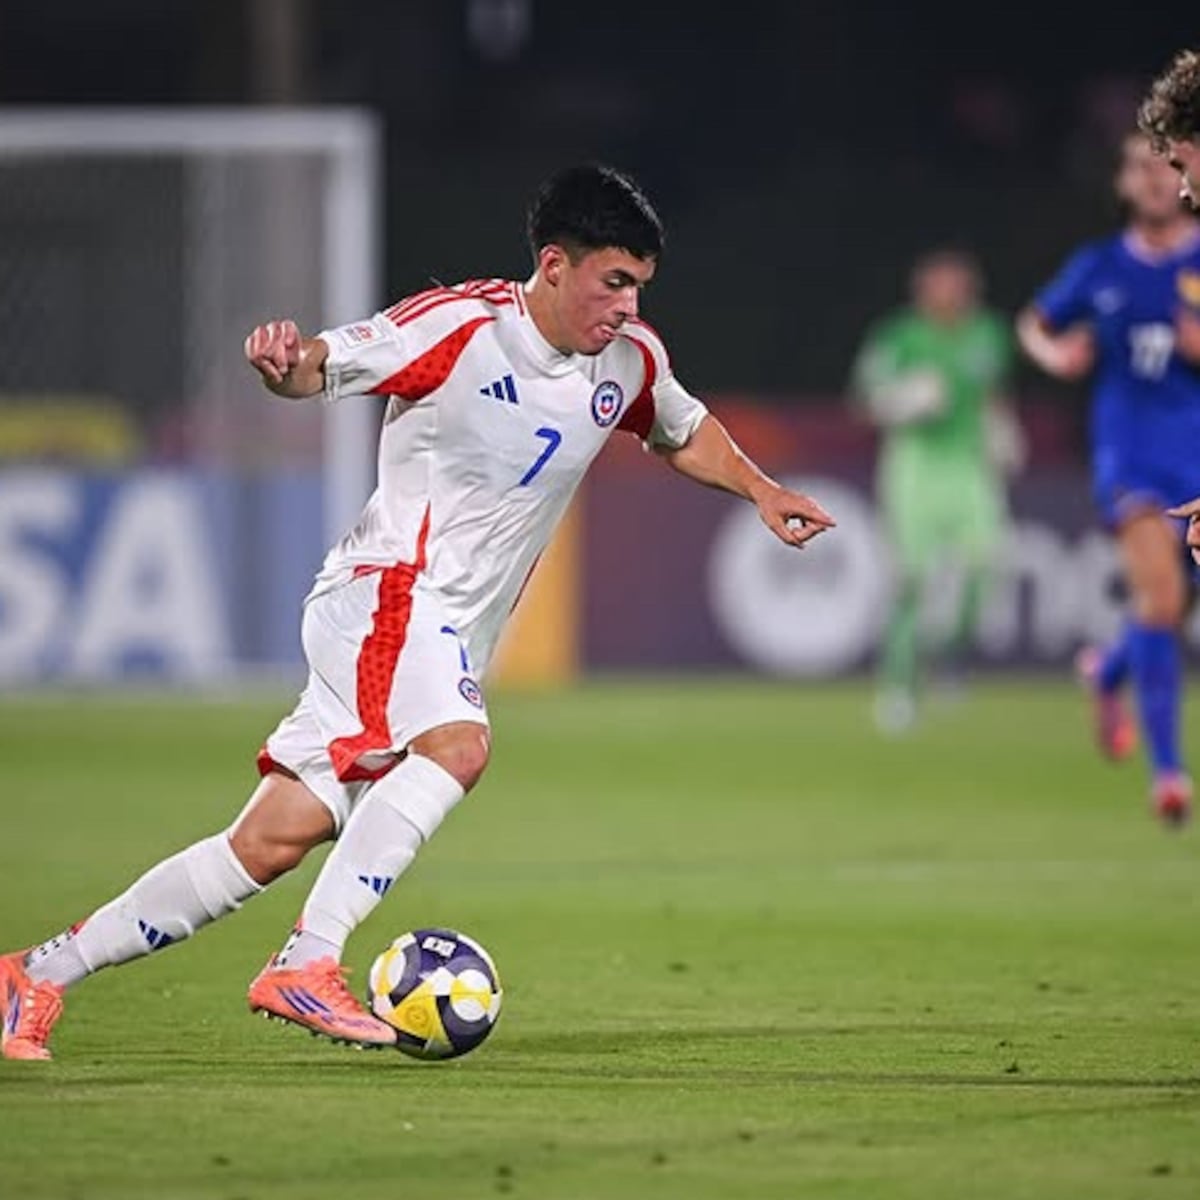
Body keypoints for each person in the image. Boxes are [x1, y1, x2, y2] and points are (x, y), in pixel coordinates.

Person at [0, 164, 835, 1061]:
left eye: (639, 287)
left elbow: (680, 426)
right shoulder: (458, 327)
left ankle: (36, 975)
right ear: (555, 265)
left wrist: (759, 488)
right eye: (614, 282)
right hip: (389, 593)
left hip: (434, 630)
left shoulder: (630, 360)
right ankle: (308, 962)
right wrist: (287, 366)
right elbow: (322, 363)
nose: (627, 306)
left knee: (274, 837)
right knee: (458, 747)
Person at [1015, 129, 1200, 827]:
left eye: (1165, 168)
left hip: (1197, 451)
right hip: (1130, 455)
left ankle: (1110, 670)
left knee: (1172, 605)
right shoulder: (1099, 267)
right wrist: (1055, 353)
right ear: (1123, 185)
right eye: (1139, 169)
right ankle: (1170, 774)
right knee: (1161, 593)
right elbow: (1034, 323)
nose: (1153, 181)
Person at [849, 247, 1022, 734]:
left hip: (969, 465)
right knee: (912, 579)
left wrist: (1003, 431)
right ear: (922, 291)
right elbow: (864, 399)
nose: (948, 295)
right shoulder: (899, 336)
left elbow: (993, 394)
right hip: (915, 464)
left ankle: (949, 656)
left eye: (957, 285)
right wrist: (904, 400)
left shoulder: (988, 333)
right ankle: (899, 686)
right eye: (938, 285)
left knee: (986, 565)